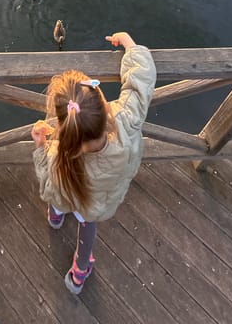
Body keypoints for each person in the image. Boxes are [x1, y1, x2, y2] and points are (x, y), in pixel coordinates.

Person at [32, 31, 156, 295]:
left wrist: (41, 146)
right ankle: (79, 272)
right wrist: (130, 46)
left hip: (69, 193)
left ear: (65, 125)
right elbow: (140, 84)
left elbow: (47, 184)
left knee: (57, 197)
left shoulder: (60, 156)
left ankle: (56, 217)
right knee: (88, 227)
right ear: (104, 106)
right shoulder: (126, 120)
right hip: (95, 205)